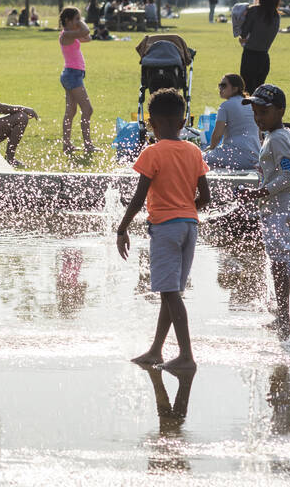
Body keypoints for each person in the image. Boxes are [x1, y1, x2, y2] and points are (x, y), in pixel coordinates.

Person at [116, 89, 210, 371]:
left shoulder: (152, 152)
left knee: (170, 293)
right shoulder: (194, 151)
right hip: (189, 226)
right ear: (183, 123)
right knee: (170, 291)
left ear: (150, 124)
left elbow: (139, 196)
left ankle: (186, 355)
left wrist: (122, 228)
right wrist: (185, 209)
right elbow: (205, 198)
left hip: (165, 228)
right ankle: (156, 350)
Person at [239, 84, 290, 332]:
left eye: (263, 113)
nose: (258, 118)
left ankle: (283, 316)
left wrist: (257, 192)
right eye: (255, 113)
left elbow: (287, 176)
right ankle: (282, 312)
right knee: (282, 261)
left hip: (280, 207)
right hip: (288, 205)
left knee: (278, 261)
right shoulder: (280, 136)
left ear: (281, 111)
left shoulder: (277, 138)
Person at [58, 7, 96, 155]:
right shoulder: (66, 34)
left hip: (72, 74)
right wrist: (81, 23)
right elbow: (86, 31)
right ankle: (88, 145)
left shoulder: (71, 35)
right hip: (72, 75)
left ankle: (67, 145)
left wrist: (78, 23)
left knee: (71, 111)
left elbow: (88, 38)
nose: (79, 22)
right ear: (68, 21)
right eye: (76, 19)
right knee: (87, 109)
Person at [204, 74, 260, 170]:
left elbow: (217, 134)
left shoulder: (225, 105)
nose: (220, 88)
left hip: (235, 156)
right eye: (220, 85)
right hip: (256, 156)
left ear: (235, 89)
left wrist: (211, 148)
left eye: (224, 85)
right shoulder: (251, 104)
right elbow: (259, 135)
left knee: (198, 157)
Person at [240, 0, 282, 94]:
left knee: (247, 93)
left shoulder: (254, 11)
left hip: (250, 57)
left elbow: (243, 33)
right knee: (258, 94)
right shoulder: (276, 16)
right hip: (264, 58)